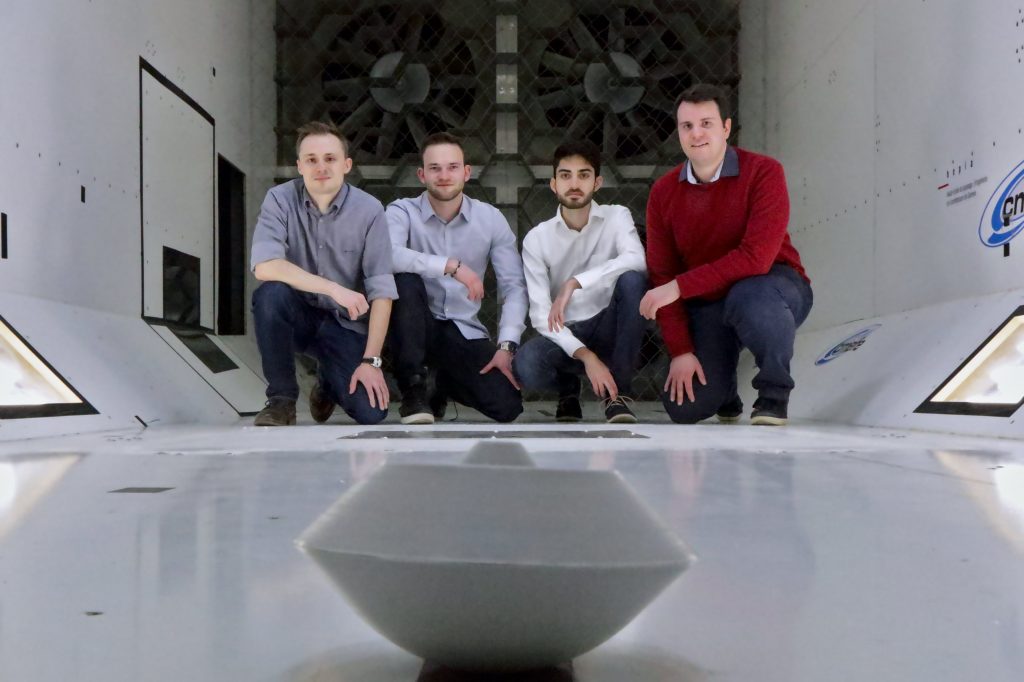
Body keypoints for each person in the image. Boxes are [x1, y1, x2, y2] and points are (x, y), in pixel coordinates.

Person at [640, 84, 812, 425]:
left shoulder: (764, 172)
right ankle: (725, 391)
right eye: (687, 126)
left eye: (706, 123)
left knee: (750, 296)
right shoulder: (663, 193)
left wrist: (678, 287)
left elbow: (755, 258)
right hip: (707, 300)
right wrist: (681, 351)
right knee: (686, 409)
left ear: (726, 128)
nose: (696, 133)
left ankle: (773, 395)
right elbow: (662, 273)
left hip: (771, 286)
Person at [249, 121, 397, 426]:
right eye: (311, 160)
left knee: (371, 413)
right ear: (299, 166)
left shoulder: (370, 210)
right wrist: (333, 288)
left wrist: (371, 361)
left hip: (347, 326)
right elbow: (265, 266)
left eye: (330, 159)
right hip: (299, 316)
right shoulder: (279, 199)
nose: (321, 167)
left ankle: (328, 383)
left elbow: (382, 291)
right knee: (270, 294)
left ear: (346, 164)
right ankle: (281, 400)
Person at [386, 132, 527, 424]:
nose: (444, 175)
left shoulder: (490, 219)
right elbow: (386, 255)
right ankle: (413, 389)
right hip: (410, 325)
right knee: (405, 280)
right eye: (435, 168)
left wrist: (506, 346)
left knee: (507, 406)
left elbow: (513, 287)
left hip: (461, 329)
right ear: (421, 174)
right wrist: (449, 266)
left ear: (466, 172)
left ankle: (439, 383)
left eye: (452, 167)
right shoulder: (402, 211)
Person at [513, 140, 647, 423]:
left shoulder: (617, 216)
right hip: (568, 334)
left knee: (633, 281)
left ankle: (618, 396)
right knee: (527, 364)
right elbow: (540, 315)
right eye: (565, 175)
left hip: (612, 324)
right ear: (553, 184)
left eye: (584, 175)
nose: (574, 184)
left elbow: (637, 260)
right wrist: (587, 356)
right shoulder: (537, 239)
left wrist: (575, 282)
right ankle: (568, 389)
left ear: (597, 182)